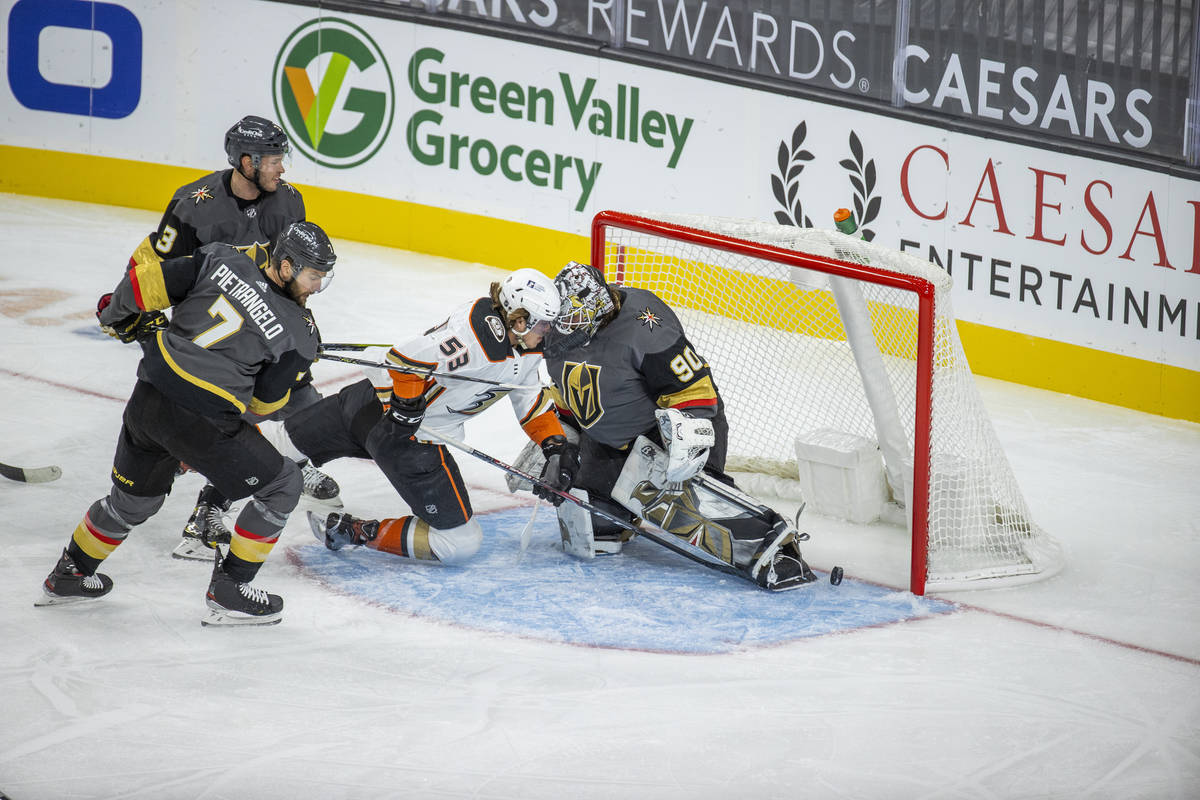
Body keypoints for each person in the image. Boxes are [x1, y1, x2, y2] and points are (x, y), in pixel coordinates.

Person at [35, 222, 340, 625]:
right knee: (284, 484)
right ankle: (230, 590)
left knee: (132, 502)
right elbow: (265, 404)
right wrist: (294, 365)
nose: (317, 286)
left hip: (149, 399)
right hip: (202, 419)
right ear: (286, 266)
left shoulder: (219, 258)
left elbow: (143, 285)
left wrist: (117, 316)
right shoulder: (300, 334)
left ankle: (69, 574)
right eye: (313, 275)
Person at [128, 114, 340, 561]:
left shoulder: (289, 203)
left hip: (259, 337)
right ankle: (209, 503)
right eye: (273, 160)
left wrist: (297, 336)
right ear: (246, 161)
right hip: (206, 342)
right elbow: (151, 268)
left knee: (303, 408)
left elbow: (292, 275)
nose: (281, 169)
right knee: (221, 426)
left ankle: (266, 469)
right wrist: (132, 314)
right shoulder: (193, 204)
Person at [260, 269, 576, 565]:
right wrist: (407, 411)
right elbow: (405, 358)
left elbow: (530, 401)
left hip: (373, 410)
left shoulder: (527, 348)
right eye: (543, 323)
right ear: (519, 321)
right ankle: (214, 501)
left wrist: (554, 447)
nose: (549, 330)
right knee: (460, 542)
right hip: (402, 434)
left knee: (276, 445)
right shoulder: (476, 338)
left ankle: (349, 529)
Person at [537, 261, 816, 591]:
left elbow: (696, 395)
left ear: (599, 310)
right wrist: (560, 451)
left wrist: (681, 457)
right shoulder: (559, 331)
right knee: (591, 521)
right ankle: (621, 510)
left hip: (674, 432)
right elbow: (569, 402)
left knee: (687, 504)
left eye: (573, 322)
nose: (562, 330)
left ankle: (774, 548)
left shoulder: (644, 326)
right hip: (608, 443)